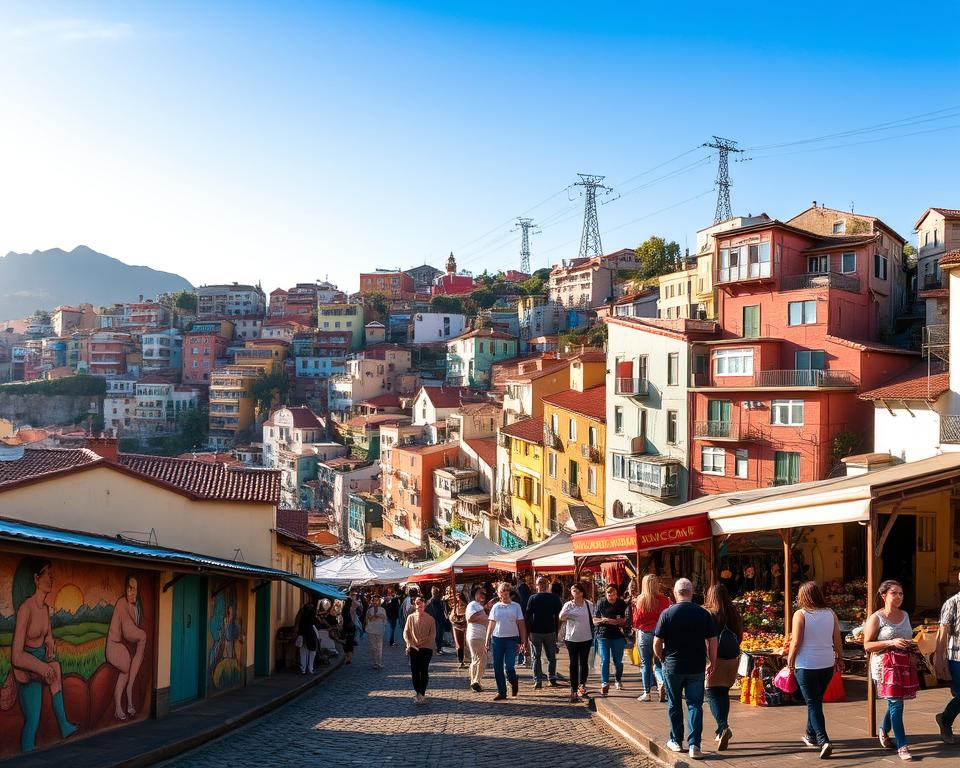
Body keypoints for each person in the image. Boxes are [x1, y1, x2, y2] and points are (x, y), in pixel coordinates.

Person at [10, 557, 79, 751]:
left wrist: (49, 640)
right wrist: (41, 667)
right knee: (33, 720)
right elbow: (16, 655)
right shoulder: (26, 608)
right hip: (28, 666)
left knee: (55, 667)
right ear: (36, 578)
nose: (51, 578)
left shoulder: (45, 609)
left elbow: (47, 634)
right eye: (48, 574)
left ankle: (64, 725)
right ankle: (27, 756)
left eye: (52, 574)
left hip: (43, 662)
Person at [653, 578, 717, 761]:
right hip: (696, 666)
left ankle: (676, 740)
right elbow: (713, 641)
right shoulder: (703, 614)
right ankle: (694, 745)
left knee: (674, 703)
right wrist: (712, 661)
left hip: (673, 665)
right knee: (695, 704)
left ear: (675, 592)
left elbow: (657, 642)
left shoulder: (667, 613)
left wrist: (661, 657)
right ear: (691, 592)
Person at [786, 581, 843, 760]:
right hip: (826, 663)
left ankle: (823, 740)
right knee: (815, 700)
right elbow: (837, 639)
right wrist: (839, 657)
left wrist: (790, 660)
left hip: (806, 664)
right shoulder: (830, 613)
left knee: (813, 703)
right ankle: (810, 734)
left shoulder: (800, 614)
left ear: (802, 597)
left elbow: (796, 641)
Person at [863, 579, 918, 761]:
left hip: (903, 664)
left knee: (896, 700)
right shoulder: (876, 618)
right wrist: (890, 642)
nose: (899, 597)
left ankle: (883, 729)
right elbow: (867, 645)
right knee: (896, 703)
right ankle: (902, 745)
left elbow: (908, 637)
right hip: (884, 666)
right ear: (884, 595)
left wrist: (914, 646)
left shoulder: (905, 615)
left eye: (901, 593)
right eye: (894, 593)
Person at [703, 584, 742, 751]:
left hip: (714, 659)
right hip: (732, 659)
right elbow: (740, 636)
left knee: (712, 693)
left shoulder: (708, 614)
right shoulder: (733, 613)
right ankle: (722, 729)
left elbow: (704, 638)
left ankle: (722, 727)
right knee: (724, 692)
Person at [105, 574, 148, 721]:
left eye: (134, 589)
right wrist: (141, 634)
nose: (132, 592)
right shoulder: (121, 604)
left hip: (121, 647)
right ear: (125, 589)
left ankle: (125, 696)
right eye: (129, 588)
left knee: (127, 665)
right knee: (127, 660)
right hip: (113, 646)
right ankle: (123, 700)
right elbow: (129, 633)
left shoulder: (135, 607)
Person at [485, 582, 526, 701]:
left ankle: (513, 681)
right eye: (502, 592)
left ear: (509, 593)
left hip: (512, 639)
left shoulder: (516, 606)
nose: (504, 595)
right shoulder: (495, 607)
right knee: (497, 666)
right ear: (498, 594)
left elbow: (521, 624)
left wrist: (523, 641)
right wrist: (487, 640)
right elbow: (491, 624)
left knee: (509, 666)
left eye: (506, 592)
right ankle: (501, 692)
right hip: (497, 639)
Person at [633, 574, 670, 702]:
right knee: (660, 661)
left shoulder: (641, 599)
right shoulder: (665, 600)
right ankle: (661, 682)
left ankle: (646, 693)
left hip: (645, 633)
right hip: (660, 634)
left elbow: (636, 620)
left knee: (646, 664)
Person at [934, 569, 960, 744]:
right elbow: (943, 633)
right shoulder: (953, 603)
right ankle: (945, 720)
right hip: (957, 657)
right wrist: (939, 659)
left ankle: (944, 718)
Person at [559, 581, 594, 703]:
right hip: (572, 638)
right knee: (573, 663)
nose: (575, 593)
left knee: (584, 662)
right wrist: (568, 613)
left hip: (586, 637)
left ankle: (582, 685)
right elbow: (561, 617)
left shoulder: (589, 604)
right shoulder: (568, 605)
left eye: (577, 591)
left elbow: (593, 618)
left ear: (582, 592)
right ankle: (573, 690)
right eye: (573, 590)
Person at [526, 576, 562, 689]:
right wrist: (557, 633)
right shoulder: (554, 598)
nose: (542, 585)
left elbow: (527, 617)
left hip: (539, 631)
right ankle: (550, 679)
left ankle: (539, 680)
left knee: (537, 657)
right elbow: (558, 617)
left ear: (537, 586)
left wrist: (528, 633)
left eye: (542, 583)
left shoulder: (533, 598)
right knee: (550, 657)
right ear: (548, 586)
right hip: (547, 631)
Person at [594, 583, 629, 696]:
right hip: (603, 634)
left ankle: (618, 679)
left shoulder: (621, 603)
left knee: (618, 661)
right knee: (605, 659)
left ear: (616, 593)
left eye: (613, 593)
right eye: (608, 592)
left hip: (617, 635)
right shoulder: (601, 602)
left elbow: (626, 620)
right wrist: (603, 620)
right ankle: (604, 683)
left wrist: (617, 622)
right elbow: (594, 620)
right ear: (606, 593)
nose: (611, 595)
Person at [403, 595, 436, 704]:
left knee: (424, 669)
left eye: (421, 602)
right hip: (413, 647)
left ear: (424, 604)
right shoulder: (410, 617)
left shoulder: (430, 619)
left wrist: (421, 642)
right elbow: (406, 632)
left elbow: (432, 635)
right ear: (414, 605)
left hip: (426, 648)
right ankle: (418, 692)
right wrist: (409, 643)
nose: (419, 605)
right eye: (417, 603)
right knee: (415, 671)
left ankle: (422, 692)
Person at [466, 586, 489, 692]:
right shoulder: (473, 605)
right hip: (475, 635)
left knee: (478, 659)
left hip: (480, 636)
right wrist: (484, 617)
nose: (482, 595)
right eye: (480, 593)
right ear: (474, 594)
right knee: (480, 658)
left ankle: (475, 682)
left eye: (484, 593)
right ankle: (475, 681)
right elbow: (470, 618)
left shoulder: (479, 606)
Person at [366, 594, 386, 670]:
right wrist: (374, 616)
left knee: (379, 647)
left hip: (380, 629)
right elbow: (368, 618)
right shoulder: (369, 609)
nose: (375, 601)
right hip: (371, 629)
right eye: (374, 600)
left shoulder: (382, 609)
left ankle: (379, 663)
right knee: (373, 647)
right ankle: (375, 663)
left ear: (379, 601)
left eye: (377, 600)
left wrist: (381, 616)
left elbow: (385, 619)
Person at [449, 591, 469, 669]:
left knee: (466, 645)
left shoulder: (467, 607)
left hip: (466, 627)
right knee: (459, 645)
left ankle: (468, 660)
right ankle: (461, 661)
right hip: (457, 628)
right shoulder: (455, 607)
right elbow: (451, 618)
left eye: (459, 598)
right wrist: (455, 623)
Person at [516, 575, 533, 666]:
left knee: (523, 638)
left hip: (524, 619)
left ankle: (525, 658)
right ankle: (526, 659)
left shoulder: (522, 589)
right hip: (526, 619)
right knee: (525, 639)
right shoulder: (526, 591)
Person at [426, 586, 447, 655]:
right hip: (437, 620)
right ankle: (438, 649)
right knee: (439, 635)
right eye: (437, 593)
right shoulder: (434, 601)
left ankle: (438, 648)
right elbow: (438, 612)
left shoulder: (429, 601)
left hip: (433, 620)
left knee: (437, 635)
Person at [340, 597, 357, 665]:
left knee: (345, 643)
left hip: (345, 627)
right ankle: (349, 658)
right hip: (351, 627)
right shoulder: (352, 609)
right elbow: (354, 618)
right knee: (350, 643)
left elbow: (341, 619)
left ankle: (347, 658)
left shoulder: (343, 609)